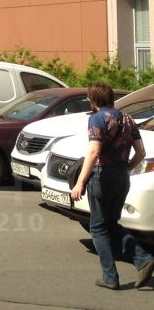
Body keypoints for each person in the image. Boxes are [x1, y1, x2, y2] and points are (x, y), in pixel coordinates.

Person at [71, 82, 154, 290]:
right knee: (111, 223)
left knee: (98, 228)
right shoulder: (128, 119)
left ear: (93, 99)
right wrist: (126, 169)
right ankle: (144, 260)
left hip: (102, 176)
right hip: (122, 177)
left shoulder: (96, 118)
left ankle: (110, 277)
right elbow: (141, 152)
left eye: (89, 98)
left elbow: (94, 152)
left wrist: (80, 182)